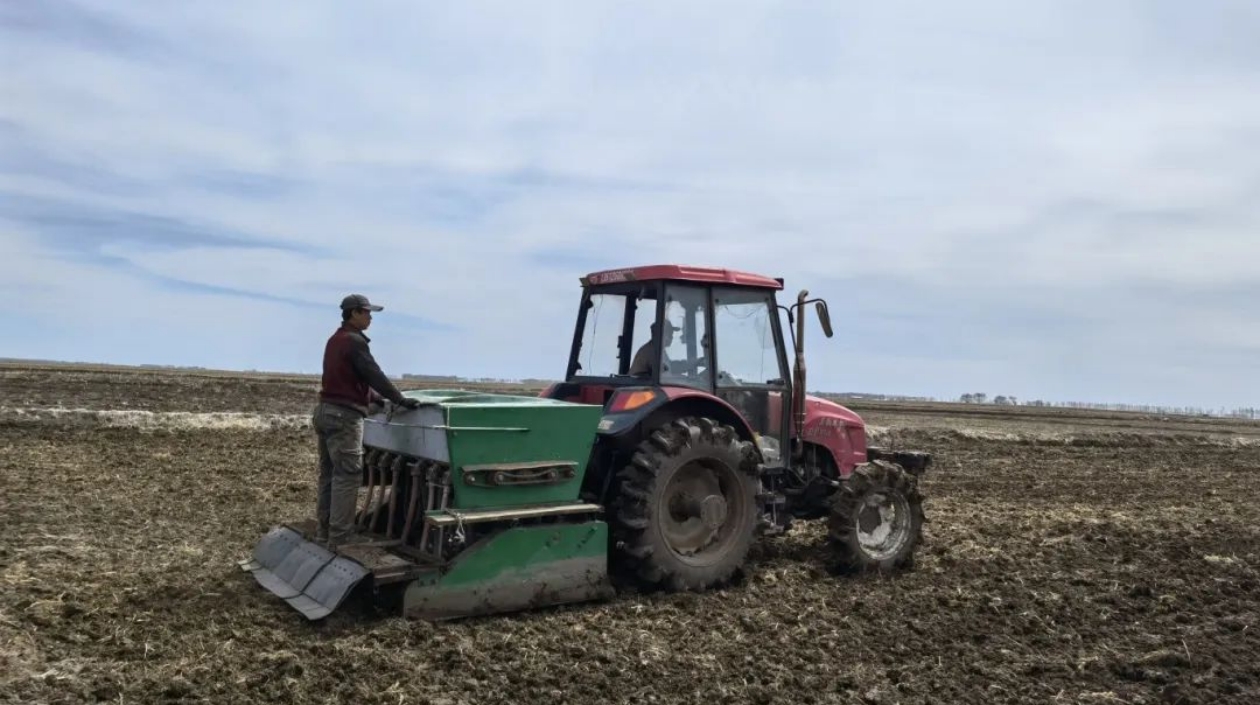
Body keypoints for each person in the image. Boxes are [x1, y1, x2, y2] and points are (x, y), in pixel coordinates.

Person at [313, 293, 421, 547]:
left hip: (325, 412)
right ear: (354, 313)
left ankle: (324, 531)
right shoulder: (354, 342)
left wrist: (377, 400)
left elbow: (351, 380)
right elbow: (374, 375)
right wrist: (400, 399)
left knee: (329, 474)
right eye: (367, 313)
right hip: (344, 417)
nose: (370, 318)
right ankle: (341, 537)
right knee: (348, 475)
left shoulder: (334, 340)